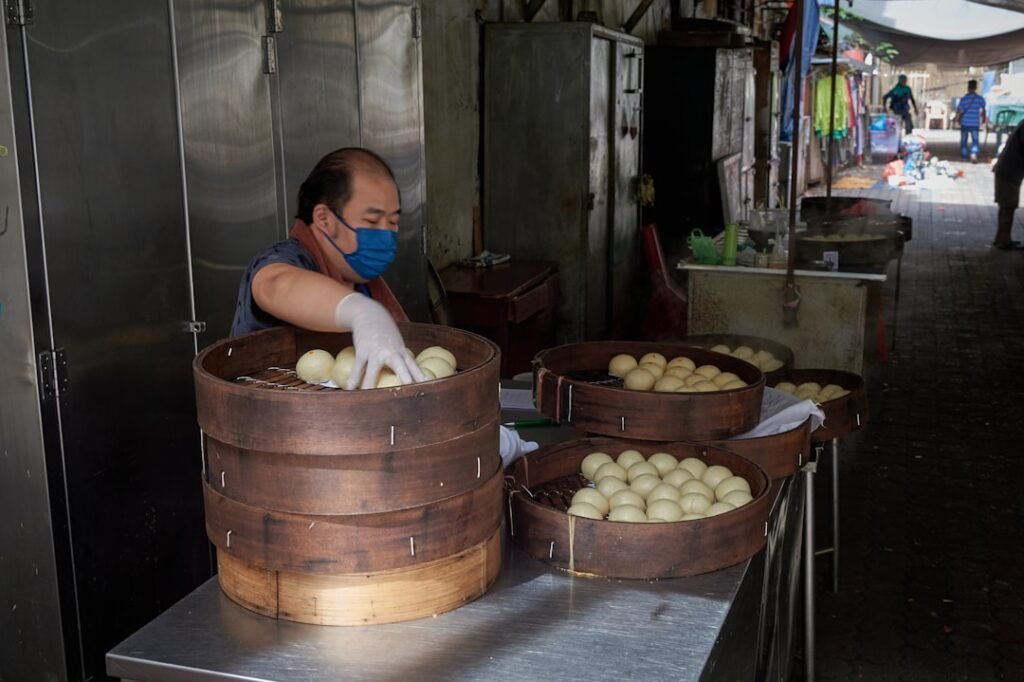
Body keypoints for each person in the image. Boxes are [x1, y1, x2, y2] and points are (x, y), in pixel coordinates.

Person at [231, 147, 425, 389]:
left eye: (393, 221)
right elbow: (274, 285)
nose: (386, 233)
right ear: (324, 219)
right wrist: (361, 313)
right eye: (372, 221)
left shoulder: (363, 279)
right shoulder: (287, 257)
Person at [993, 120, 1024, 249]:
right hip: (1010, 170)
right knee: (1008, 206)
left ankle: (1001, 238)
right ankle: (1004, 241)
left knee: (1005, 206)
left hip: (1007, 169)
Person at [955, 80, 986, 163]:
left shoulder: (964, 99)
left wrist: (957, 119)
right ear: (976, 87)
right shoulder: (980, 99)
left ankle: (964, 155)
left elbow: (960, 111)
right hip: (975, 122)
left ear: (968, 87)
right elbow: (983, 111)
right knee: (975, 139)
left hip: (965, 122)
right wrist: (983, 120)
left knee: (964, 139)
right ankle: (973, 153)